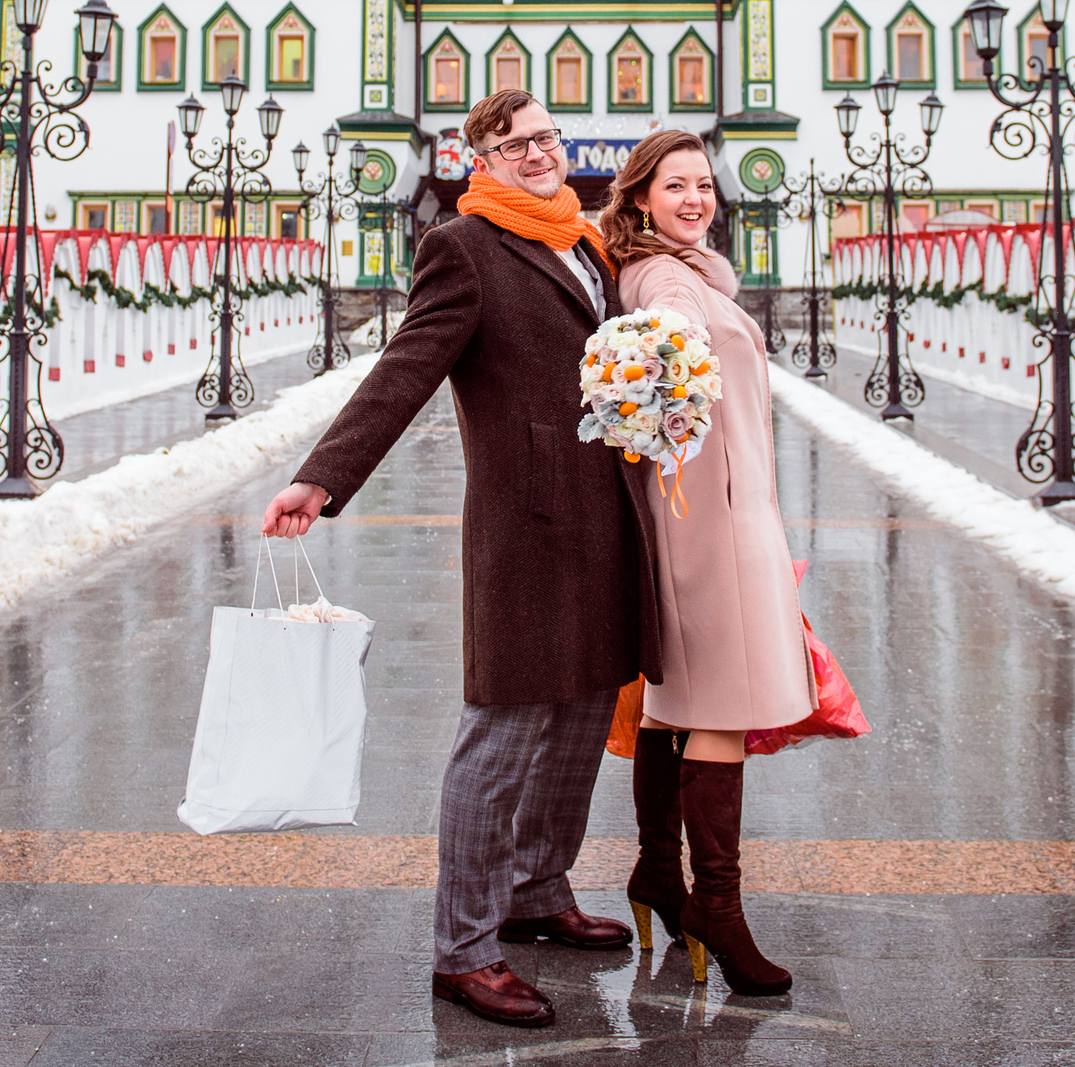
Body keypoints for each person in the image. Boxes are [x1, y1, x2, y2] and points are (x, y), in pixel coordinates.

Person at [261, 87, 659, 1030]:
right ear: (479, 157)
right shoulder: (466, 245)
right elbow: (407, 364)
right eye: (514, 144)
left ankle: (536, 889)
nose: (537, 153)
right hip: (526, 526)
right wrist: (323, 477)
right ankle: (464, 948)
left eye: (546, 137)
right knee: (504, 734)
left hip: (608, 517)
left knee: (580, 717)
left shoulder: (586, 238)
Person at [600, 130, 811, 998]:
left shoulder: (689, 271)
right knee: (725, 706)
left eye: (703, 184)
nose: (695, 198)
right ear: (641, 195)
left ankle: (658, 870)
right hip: (710, 521)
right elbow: (659, 363)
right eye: (674, 185)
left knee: (670, 707)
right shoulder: (661, 279)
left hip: (722, 510)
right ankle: (717, 910)